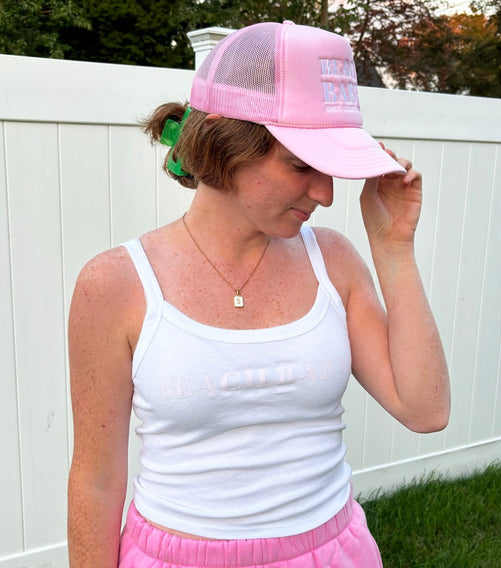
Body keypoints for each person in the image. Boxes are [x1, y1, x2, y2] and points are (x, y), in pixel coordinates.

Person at [67, 20, 450, 568]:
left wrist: (394, 250)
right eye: (301, 166)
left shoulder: (333, 261)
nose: (324, 193)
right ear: (227, 142)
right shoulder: (115, 285)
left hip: (332, 553)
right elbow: (95, 481)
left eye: (330, 169)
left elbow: (425, 410)